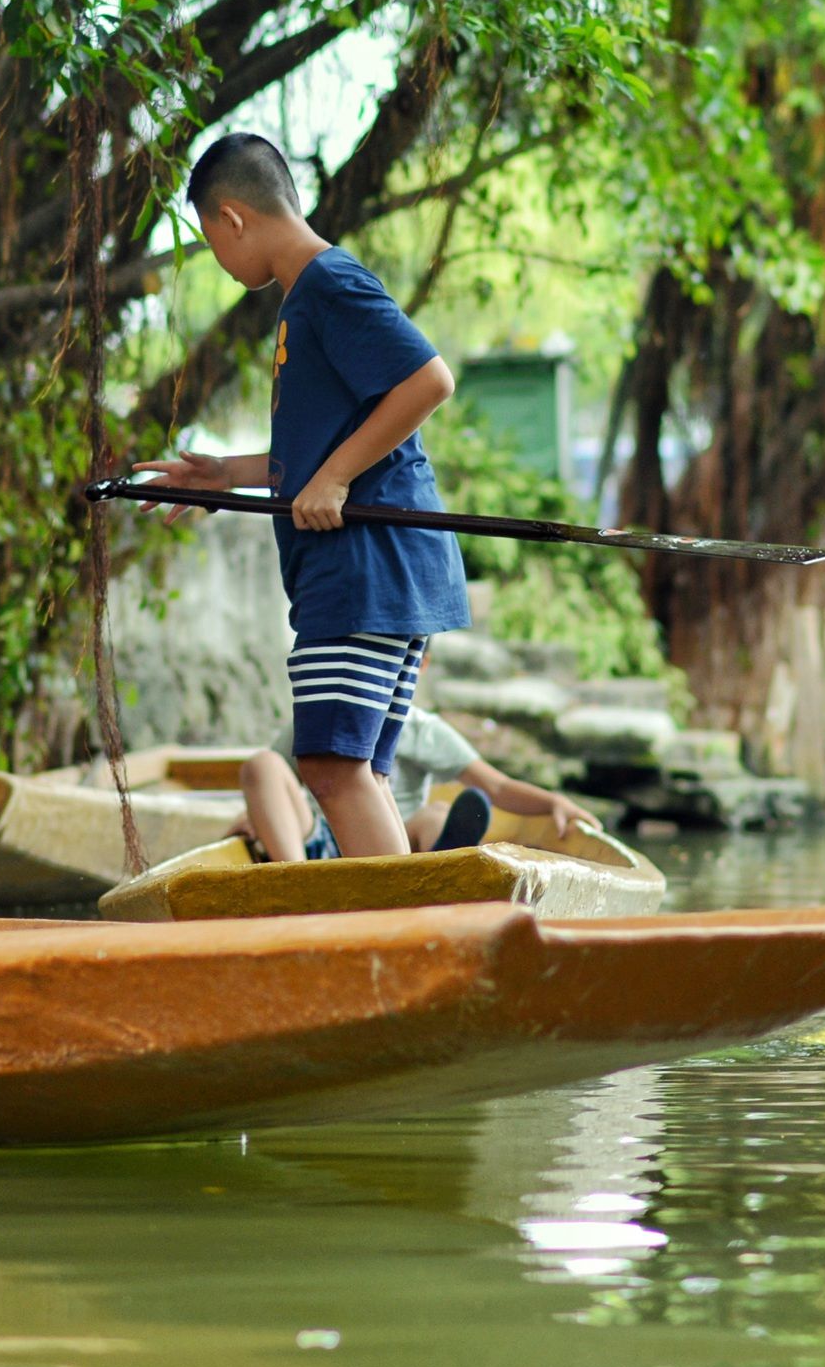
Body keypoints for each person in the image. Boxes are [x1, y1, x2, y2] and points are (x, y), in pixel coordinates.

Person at [133, 132, 469, 858]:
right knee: (360, 769)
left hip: (363, 568)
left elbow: (428, 381)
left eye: (209, 241)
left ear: (233, 218)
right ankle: (401, 936)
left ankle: (398, 947)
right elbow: (311, 455)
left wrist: (337, 477)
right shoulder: (306, 299)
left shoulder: (328, 283)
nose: (219, 260)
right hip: (380, 569)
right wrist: (225, 474)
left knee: (331, 765)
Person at [232, 707, 599, 862]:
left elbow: (496, 787)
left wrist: (553, 802)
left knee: (438, 814)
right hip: (316, 842)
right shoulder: (322, 714)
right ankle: (293, 884)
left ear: (414, 665)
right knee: (262, 764)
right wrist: (254, 815)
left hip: (396, 846)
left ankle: (438, 865)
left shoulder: (423, 729)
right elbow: (275, 779)